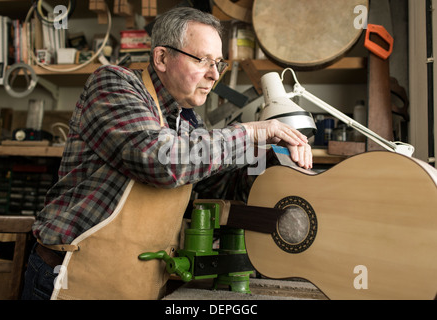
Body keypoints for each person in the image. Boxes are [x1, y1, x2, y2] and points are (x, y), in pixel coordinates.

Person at [21, 6, 312, 300]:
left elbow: (217, 191)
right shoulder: (113, 85)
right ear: (162, 57)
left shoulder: (188, 121)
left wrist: (266, 156)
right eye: (204, 60)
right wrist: (248, 133)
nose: (214, 75)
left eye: (219, 64)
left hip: (139, 281)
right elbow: (163, 162)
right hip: (71, 273)